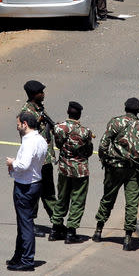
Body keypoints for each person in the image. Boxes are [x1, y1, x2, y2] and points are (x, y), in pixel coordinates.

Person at [92, 98, 139, 251]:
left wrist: (105, 160)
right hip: (135, 170)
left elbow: (103, 144)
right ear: (138, 111)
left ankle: (99, 230)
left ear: (125, 108)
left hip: (115, 167)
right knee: (132, 203)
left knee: (108, 198)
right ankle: (127, 238)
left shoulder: (116, 122)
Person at [6, 112, 48, 271]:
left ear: (25, 124)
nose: (17, 127)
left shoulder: (30, 142)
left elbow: (23, 165)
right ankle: (19, 256)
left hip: (25, 186)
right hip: (34, 183)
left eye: (18, 124)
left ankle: (27, 259)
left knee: (26, 223)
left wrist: (12, 162)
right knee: (23, 222)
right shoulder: (41, 140)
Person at [49, 101, 93, 244]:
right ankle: (71, 232)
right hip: (80, 170)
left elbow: (59, 144)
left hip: (63, 168)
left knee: (62, 197)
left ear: (68, 112)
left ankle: (55, 229)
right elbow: (88, 151)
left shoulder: (59, 128)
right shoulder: (85, 132)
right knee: (77, 200)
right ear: (79, 114)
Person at [21, 80, 57, 238]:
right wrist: (37, 123)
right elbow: (24, 134)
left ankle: (57, 222)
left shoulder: (40, 108)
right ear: (34, 95)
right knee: (34, 193)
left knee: (49, 193)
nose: (44, 94)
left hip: (46, 159)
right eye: (41, 92)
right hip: (35, 160)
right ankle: (30, 224)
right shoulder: (27, 112)